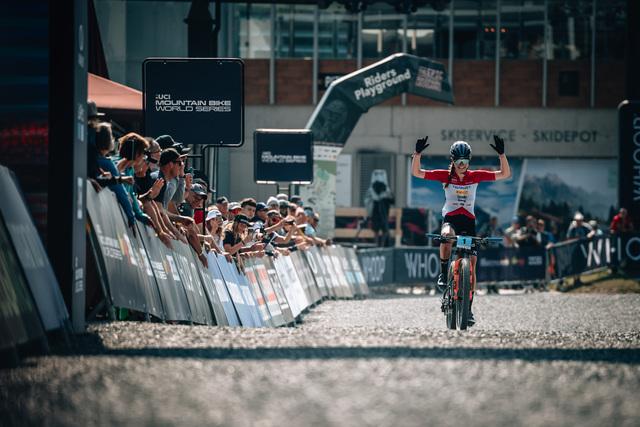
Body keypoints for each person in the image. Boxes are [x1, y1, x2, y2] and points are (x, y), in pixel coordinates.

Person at [411, 135, 511, 326]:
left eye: (465, 161)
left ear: (469, 161)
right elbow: (417, 172)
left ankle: (469, 309)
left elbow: (504, 174)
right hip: (451, 219)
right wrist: (417, 154)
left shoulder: (475, 176)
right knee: (446, 235)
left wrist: (502, 155)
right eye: (458, 161)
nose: (462, 165)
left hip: (468, 222)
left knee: (471, 265)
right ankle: (443, 273)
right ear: (453, 161)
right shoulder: (445, 176)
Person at [364, 169, 395, 247]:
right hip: (375, 213)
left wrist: (385, 197)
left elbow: (392, 200)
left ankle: (381, 245)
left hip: (384, 213)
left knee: (384, 230)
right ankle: (377, 245)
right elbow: (367, 201)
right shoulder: (371, 190)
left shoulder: (386, 190)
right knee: (376, 230)